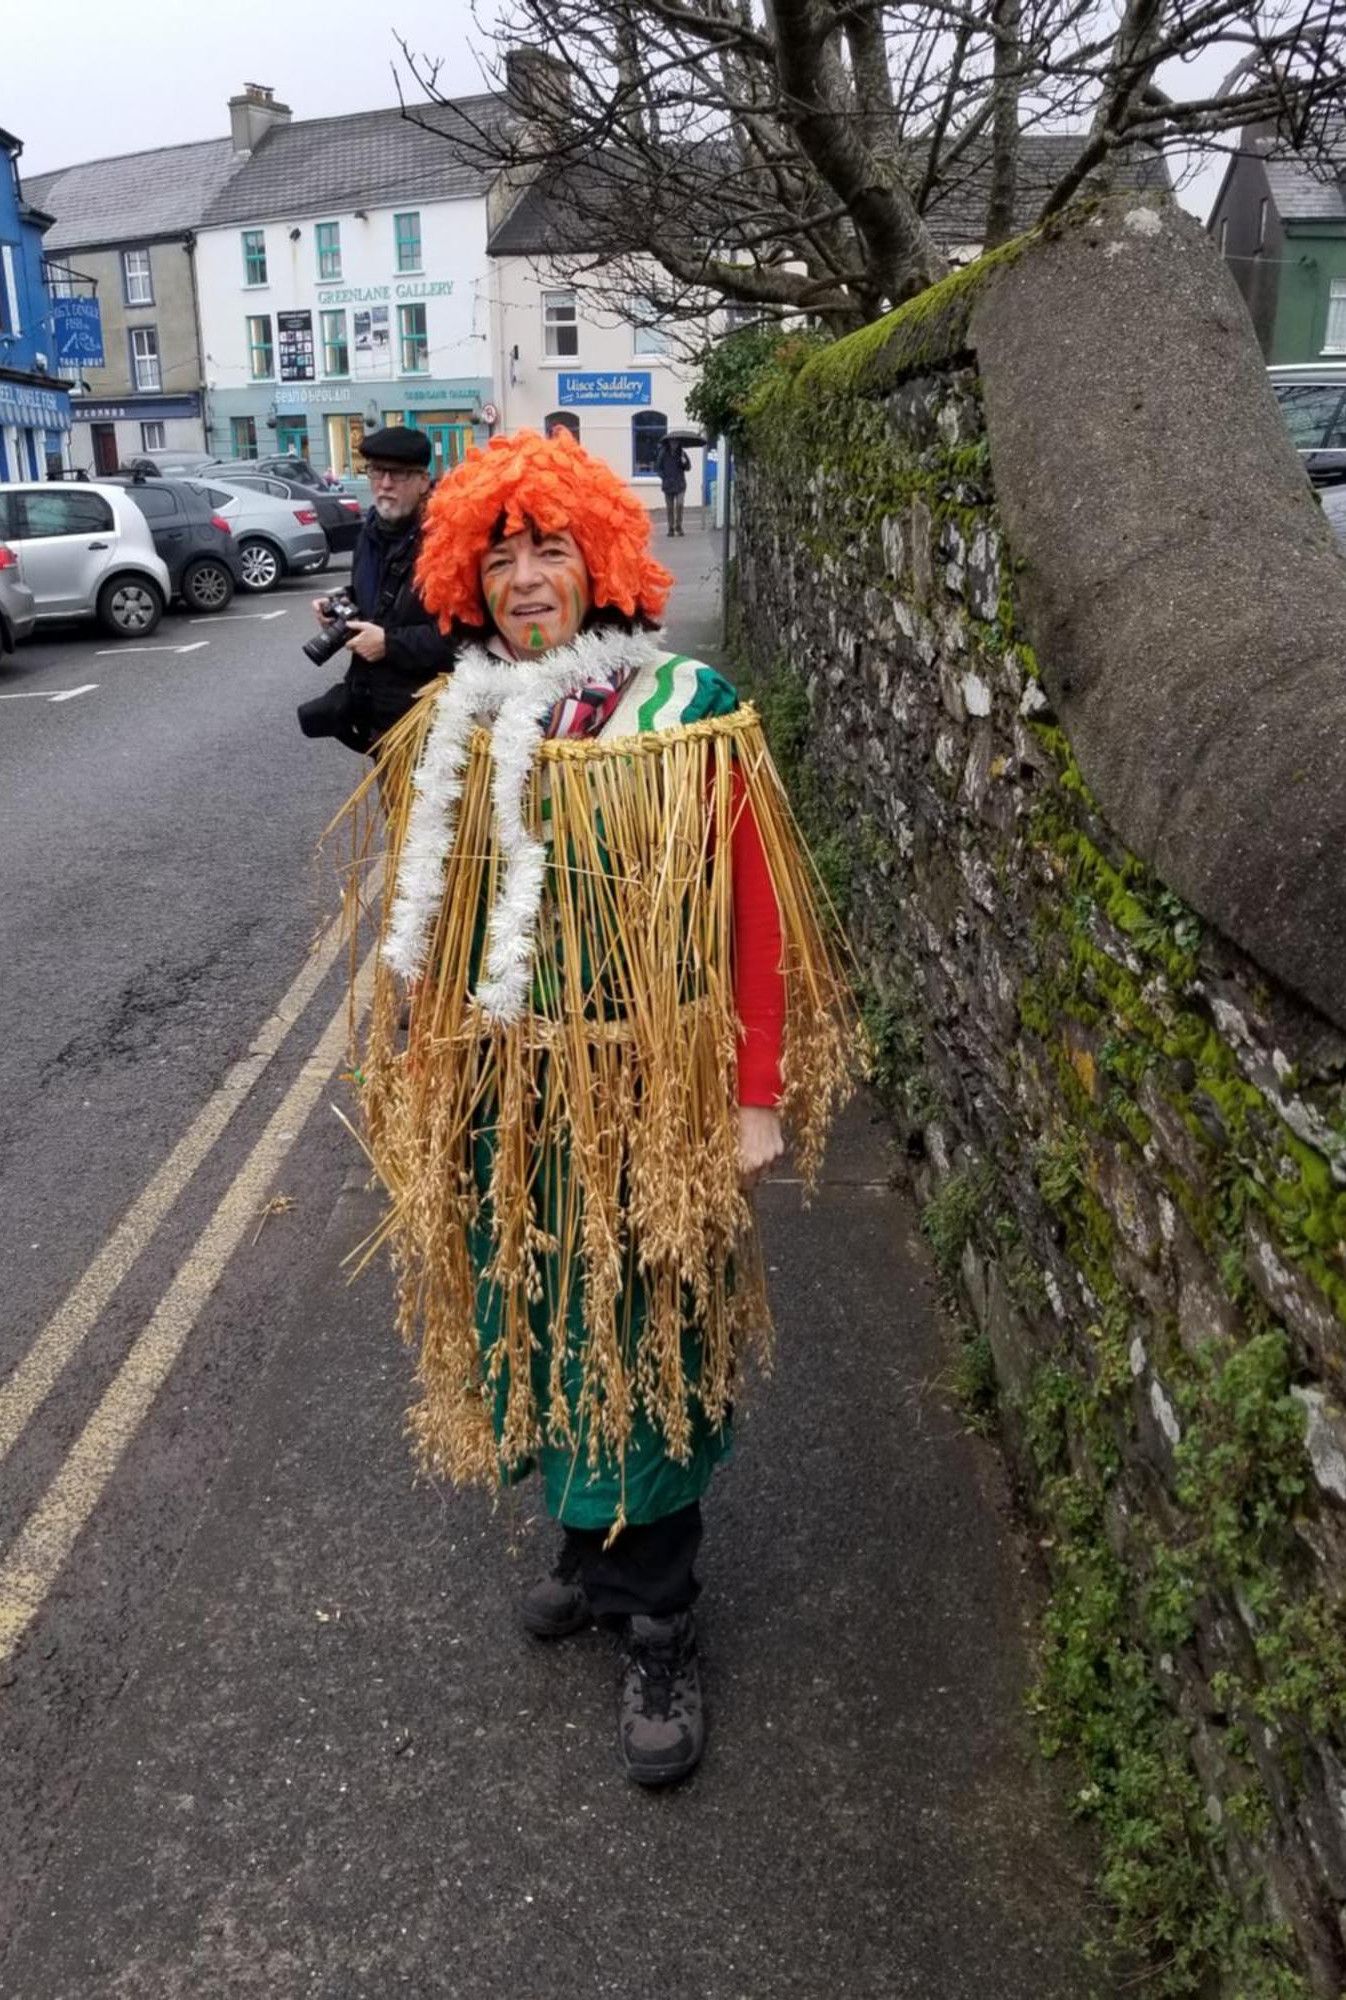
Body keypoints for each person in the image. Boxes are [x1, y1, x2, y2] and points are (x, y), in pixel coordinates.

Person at [349, 428, 852, 1786]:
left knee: (648, 1325)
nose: (524, 578)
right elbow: (435, 917)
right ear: (467, 574)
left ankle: (660, 1623)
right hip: (505, 1105)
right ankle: (585, 1547)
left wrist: (757, 1100)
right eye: (497, 554)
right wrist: (416, 1056)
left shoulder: (689, 711)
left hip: (651, 1088)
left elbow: (757, 917)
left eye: (550, 548)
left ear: (605, 561)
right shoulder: (461, 715)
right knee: (537, 1309)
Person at [296, 426, 455, 753]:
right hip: (378, 712)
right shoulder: (372, 530)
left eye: (398, 474)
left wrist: (389, 644)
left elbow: (467, 638)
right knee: (393, 805)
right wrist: (342, 603)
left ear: (424, 481)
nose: (384, 484)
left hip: (429, 723)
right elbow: (380, 598)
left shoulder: (448, 540)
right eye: (376, 471)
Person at [653, 433, 691, 537]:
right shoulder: (663, 453)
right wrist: (664, 477)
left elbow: (688, 468)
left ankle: (679, 525)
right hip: (668, 485)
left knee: (679, 504)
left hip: (680, 484)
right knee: (670, 508)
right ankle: (671, 528)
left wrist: (684, 462)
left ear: (678, 443)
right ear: (668, 443)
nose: (674, 444)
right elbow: (657, 468)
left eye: (676, 442)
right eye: (672, 442)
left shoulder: (682, 453)